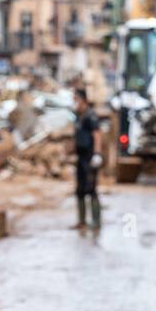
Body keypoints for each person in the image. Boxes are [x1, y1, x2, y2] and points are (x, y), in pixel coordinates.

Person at [72, 88, 102, 230]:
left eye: (76, 99)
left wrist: (97, 154)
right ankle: (82, 221)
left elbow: (97, 135)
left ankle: (96, 222)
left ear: (83, 100)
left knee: (91, 189)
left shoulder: (90, 116)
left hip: (90, 158)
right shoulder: (79, 116)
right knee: (80, 190)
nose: (74, 103)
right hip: (81, 157)